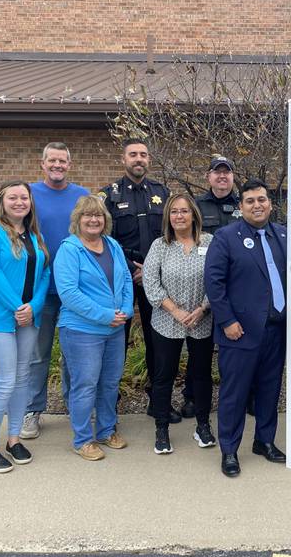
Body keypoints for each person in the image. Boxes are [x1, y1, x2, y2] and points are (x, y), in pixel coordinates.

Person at [204, 179, 288, 477]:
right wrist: (227, 321)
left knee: (269, 390)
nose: (257, 205)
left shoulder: (282, 234)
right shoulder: (226, 237)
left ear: (270, 203)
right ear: (240, 207)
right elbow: (214, 283)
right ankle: (229, 449)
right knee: (234, 394)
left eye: (262, 199)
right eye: (250, 200)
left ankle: (264, 441)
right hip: (239, 331)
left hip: (276, 331)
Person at [0, 181, 50, 473]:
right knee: (4, 381)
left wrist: (34, 307)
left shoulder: (34, 236)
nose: (19, 202)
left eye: (24, 197)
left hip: (28, 318)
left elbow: (44, 274)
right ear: (1, 202)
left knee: (22, 380)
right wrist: (17, 307)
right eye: (13, 197)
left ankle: (14, 440)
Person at [53, 195, 133, 461]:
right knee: (85, 385)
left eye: (98, 215)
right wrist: (104, 315)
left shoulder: (112, 245)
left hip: (114, 329)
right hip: (81, 330)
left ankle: (106, 430)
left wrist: (125, 310)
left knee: (110, 383)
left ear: (105, 219)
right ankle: (83, 439)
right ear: (78, 219)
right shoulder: (69, 249)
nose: (93, 220)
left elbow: (126, 282)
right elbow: (68, 292)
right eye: (87, 215)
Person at [100, 138, 172, 420]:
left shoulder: (162, 193)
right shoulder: (109, 195)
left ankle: (158, 400)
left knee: (159, 340)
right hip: (122, 278)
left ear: (148, 160)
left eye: (143, 154)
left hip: (156, 277)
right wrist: (132, 269)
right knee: (117, 337)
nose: (138, 159)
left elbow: (171, 234)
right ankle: (110, 401)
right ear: (123, 159)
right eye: (133, 154)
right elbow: (104, 238)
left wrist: (151, 269)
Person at [21, 142, 89, 440]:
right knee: (39, 354)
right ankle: (33, 411)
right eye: (52, 160)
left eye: (62, 160)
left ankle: (76, 406)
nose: (57, 165)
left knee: (74, 354)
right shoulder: (30, 195)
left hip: (76, 290)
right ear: (43, 163)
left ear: (69, 165)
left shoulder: (83, 196)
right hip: (42, 289)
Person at [143, 193, 215, 454]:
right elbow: (150, 282)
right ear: (168, 217)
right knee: (164, 376)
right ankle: (162, 429)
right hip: (166, 321)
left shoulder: (209, 242)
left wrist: (203, 308)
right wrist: (174, 311)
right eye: (174, 212)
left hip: (201, 321)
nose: (179, 216)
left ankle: (203, 425)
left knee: (201, 376)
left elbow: (217, 279)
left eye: (184, 211)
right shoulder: (160, 246)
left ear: (193, 214)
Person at [180, 156, 240, 418]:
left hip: (238, 287)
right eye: (217, 173)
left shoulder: (243, 204)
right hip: (203, 286)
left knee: (239, 345)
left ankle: (242, 396)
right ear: (209, 177)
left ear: (233, 177)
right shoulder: (197, 206)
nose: (222, 177)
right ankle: (193, 397)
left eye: (227, 173)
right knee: (199, 349)